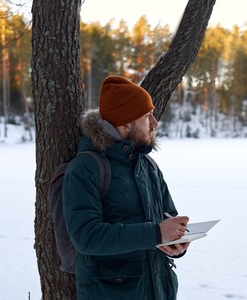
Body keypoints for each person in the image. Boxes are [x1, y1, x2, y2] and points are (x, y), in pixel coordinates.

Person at [63, 75, 190, 300]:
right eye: (146, 116)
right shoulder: (86, 168)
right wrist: (156, 233)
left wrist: (177, 241)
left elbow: (168, 217)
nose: (155, 123)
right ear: (125, 124)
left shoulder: (147, 164)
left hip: (158, 290)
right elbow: (86, 237)